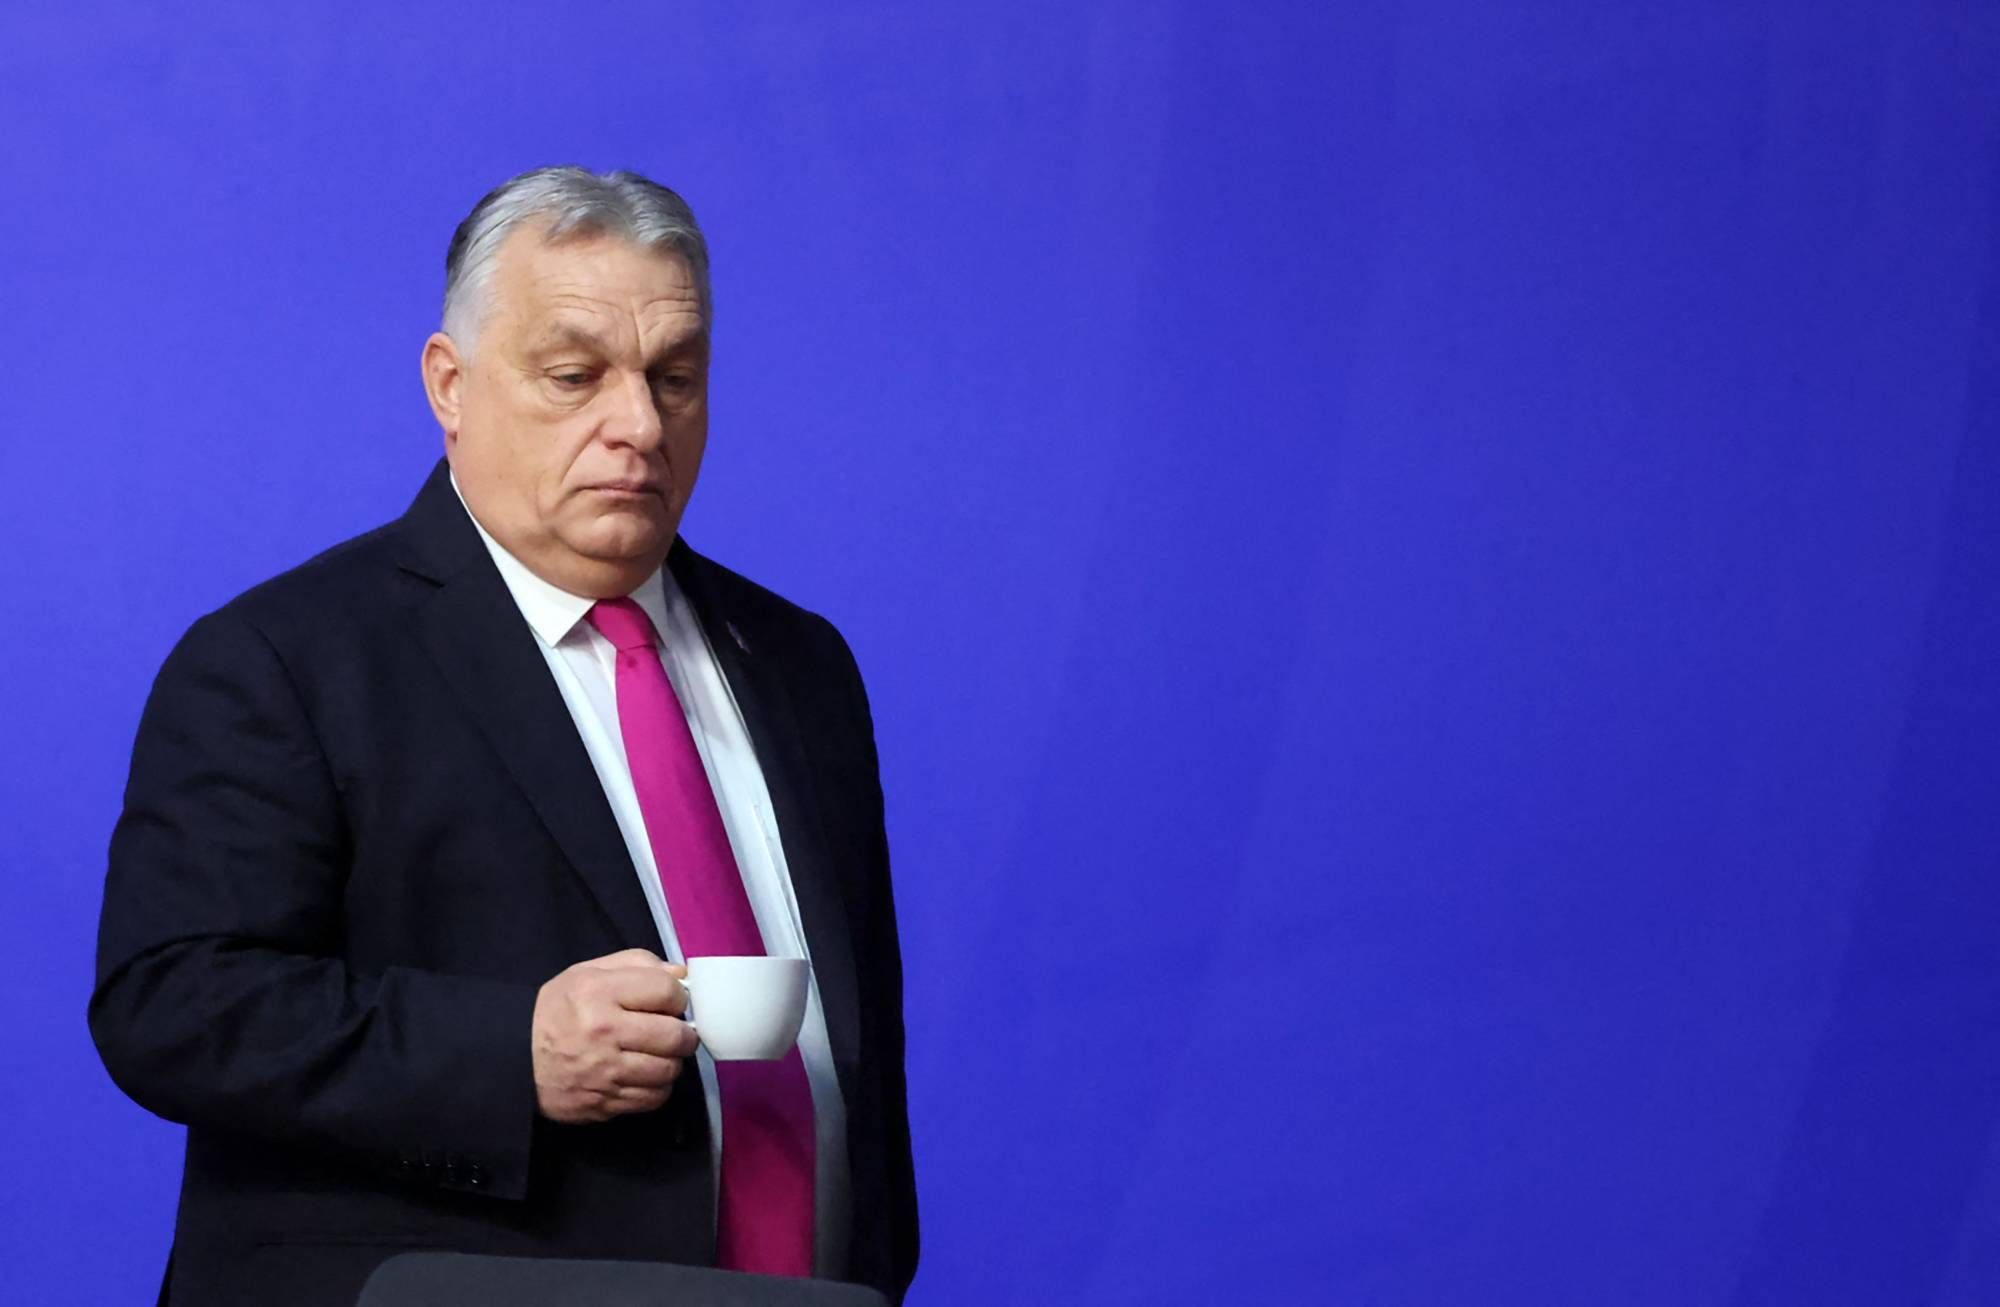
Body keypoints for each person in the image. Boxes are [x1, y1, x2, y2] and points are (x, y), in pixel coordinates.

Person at [89, 166, 918, 1307]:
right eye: (575, 376)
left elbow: (860, 1064)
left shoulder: (800, 664)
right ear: (450, 384)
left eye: (674, 378)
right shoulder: (284, 657)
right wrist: (509, 1051)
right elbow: (171, 1003)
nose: (639, 425)